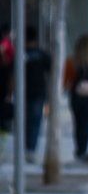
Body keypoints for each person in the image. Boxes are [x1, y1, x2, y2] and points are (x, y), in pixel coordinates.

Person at [23, 27, 51, 163]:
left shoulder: (21, 54)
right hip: (38, 91)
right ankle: (30, 149)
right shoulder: (41, 54)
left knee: (26, 120)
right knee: (35, 121)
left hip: (24, 92)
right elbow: (51, 69)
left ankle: (28, 147)